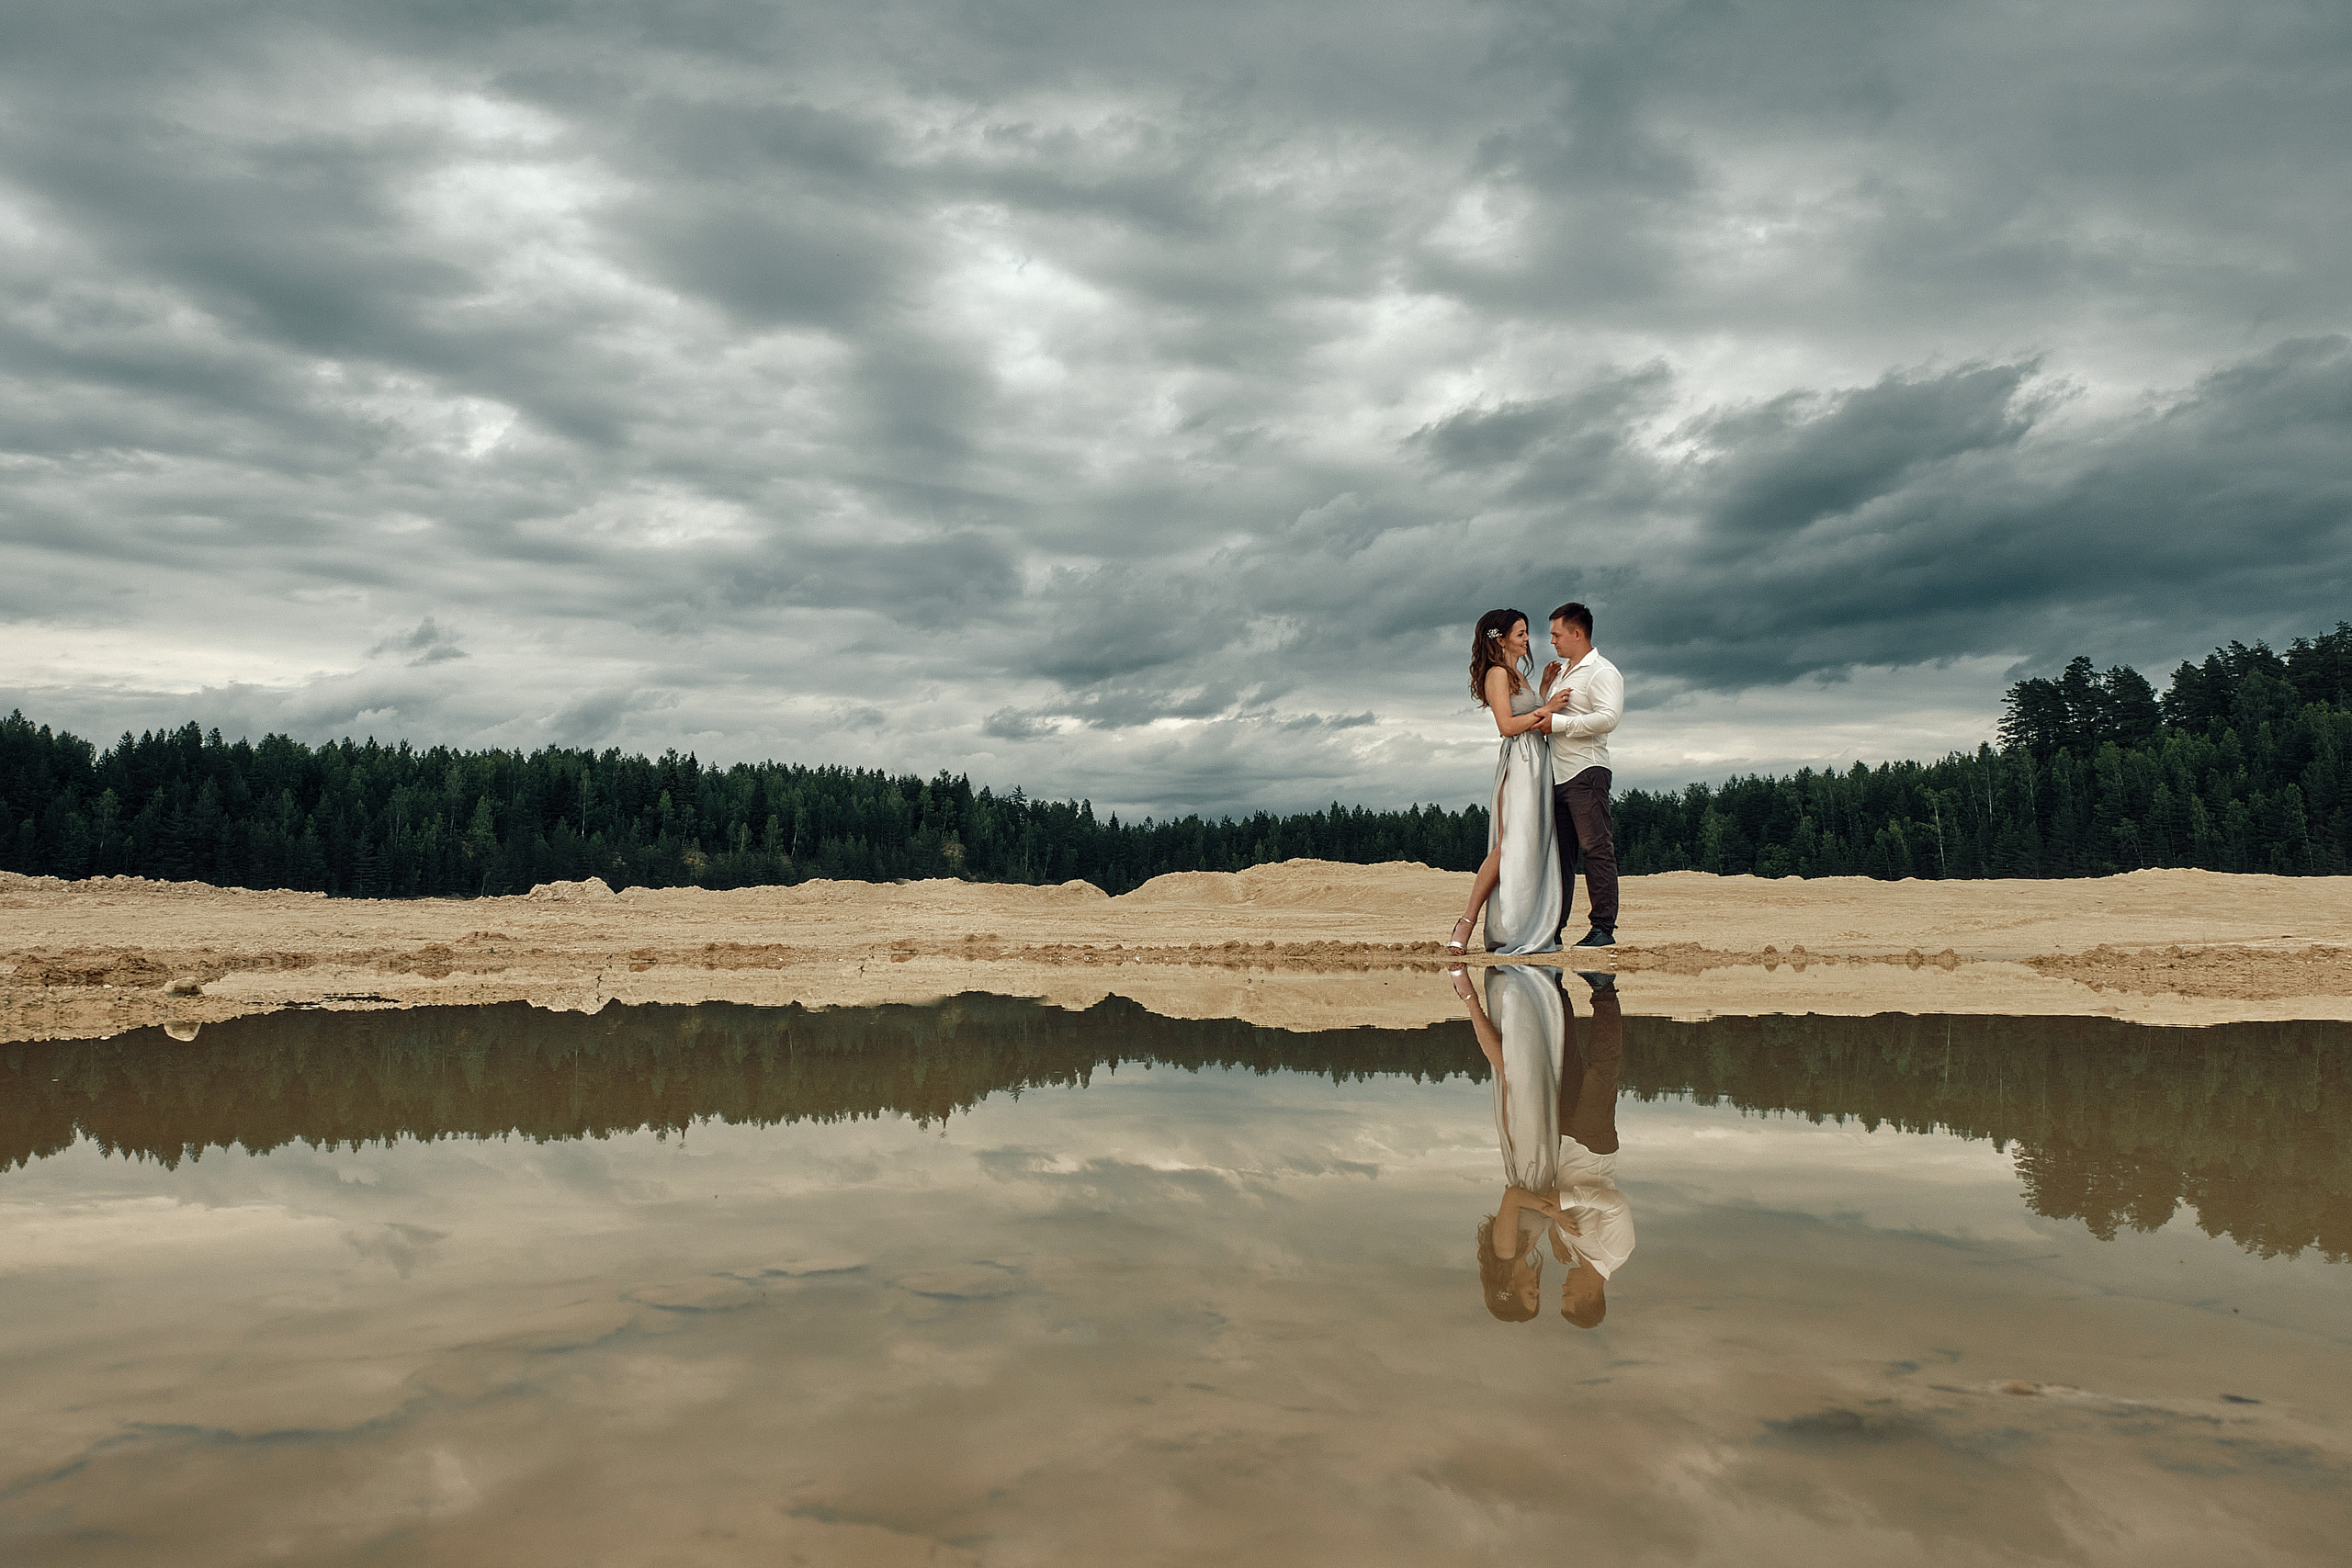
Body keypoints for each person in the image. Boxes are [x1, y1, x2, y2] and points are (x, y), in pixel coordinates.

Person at [1447, 609, 1572, 956]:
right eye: (1521, 633)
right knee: (1507, 846)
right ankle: (1467, 921)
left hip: (1537, 763)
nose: (1528, 639)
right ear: (1501, 640)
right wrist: (1548, 708)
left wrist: (1543, 689)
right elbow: (1507, 726)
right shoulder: (1497, 674)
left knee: (1529, 845)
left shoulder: (1518, 674)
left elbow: (1527, 714)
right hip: (1520, 762)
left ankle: (1521, 926)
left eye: (1527, 632)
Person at [1453, 963, 1573, 1320]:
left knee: (1512, 1072)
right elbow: (1535, 1211)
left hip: (1526, 1159)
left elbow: (1513, 1197)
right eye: (1538, 1295)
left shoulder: (1505, 1251)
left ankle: (1470, 997)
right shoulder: (1525, 1250)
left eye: (1530, 1295)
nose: (1537, 1288)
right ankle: (1520, 991)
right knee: (1528, 1069)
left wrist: (1555, 1214)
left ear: (1509, 1289)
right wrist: (1554, 1233)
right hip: (1541, 1157)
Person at [1537, 603, 1623, 949]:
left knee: (1596, 849)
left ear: (1577, 633)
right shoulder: (1562, 673)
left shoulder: (1602, 672)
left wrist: (1560, 724)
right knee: (1561, 857)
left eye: (1556, 634)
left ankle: (1603, 929)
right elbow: (1547, 715)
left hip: (1586, 771)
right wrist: (1545, 689)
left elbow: (1609, 718)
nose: (1552, 641)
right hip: (1557, 776)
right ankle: (1553, 930)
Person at [1550, 971, 1634, 1326]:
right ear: (1589, 1296)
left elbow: (1563, 1214)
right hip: (1595, 1146)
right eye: (1568, 1295)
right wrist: (1562, 1204)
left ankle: (1554, 986)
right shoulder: (1616, 1252)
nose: (1563, 1288)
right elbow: (1615, 1204)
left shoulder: (1574, 1253)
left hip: (1567, 1143)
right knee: (1601, 1069)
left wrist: (1554, 1228)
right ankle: (1603, 989)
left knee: (1563, 1063)